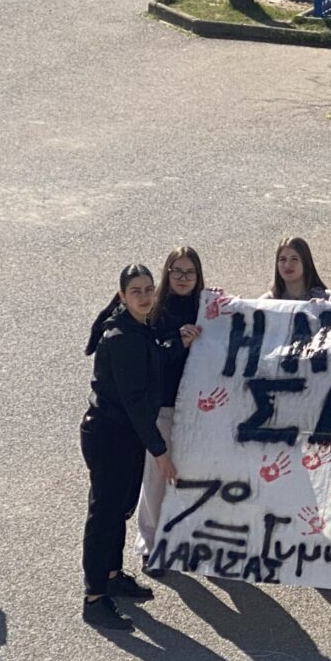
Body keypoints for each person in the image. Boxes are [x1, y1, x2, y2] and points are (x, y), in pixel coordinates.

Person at [81, 265, 179, 631]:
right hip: (109, 437)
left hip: (125, 436)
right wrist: (160, 452)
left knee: (120, 508)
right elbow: (135, 401)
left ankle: (111, 575)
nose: (144, 296)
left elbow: (152, 359)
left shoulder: (140, 327)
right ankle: (94, 598)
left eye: (149, 289)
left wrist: (178, 343)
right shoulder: (122, 337)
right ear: (122, 295)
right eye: (136, 291)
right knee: (105, 515)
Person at [135, 247, 205, 578]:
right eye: (176, 271)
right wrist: (178, 342)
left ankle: (187, 541)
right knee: (156, 477)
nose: (182, 278)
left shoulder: (208, 308)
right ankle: (150, 545)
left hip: (198, 408)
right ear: (167, 273)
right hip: (162, 406)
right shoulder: (155, 311)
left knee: (193, 475)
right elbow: (149, 361)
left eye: (189, 272)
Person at [260, 236, 331, 301]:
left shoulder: (326, 298)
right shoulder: (267, 302)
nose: (287, 265)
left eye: (294, 259)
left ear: (305, 263)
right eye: (283, 259)